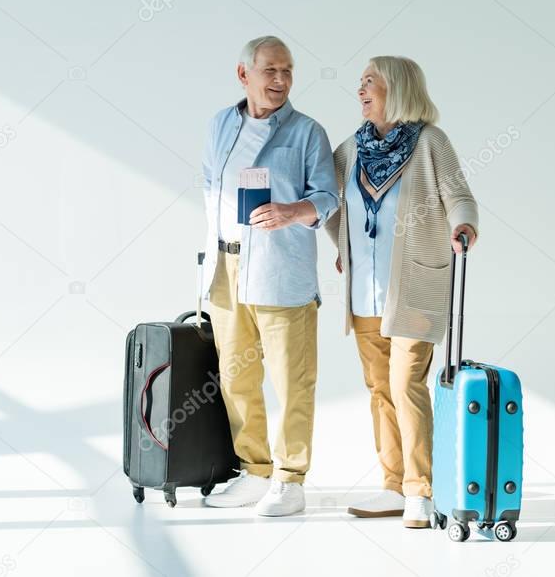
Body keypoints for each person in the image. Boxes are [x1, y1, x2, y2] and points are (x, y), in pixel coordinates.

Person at [326, 56, 478, 528]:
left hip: (414, 285)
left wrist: (464, 226)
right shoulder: (350, 149)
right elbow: (332, 205)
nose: (361, 89)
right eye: (360, 82)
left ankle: (421, 492)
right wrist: (341, 248)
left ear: (397, 88)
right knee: (379, 390)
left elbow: (459, 194)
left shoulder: (430, 142)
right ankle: (392, 485)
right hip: (364, 294)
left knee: (404, 384)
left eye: (370, 81)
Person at [201, 35, 338, 516]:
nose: (280, 81)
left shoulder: (306, 132)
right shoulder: (220, 124)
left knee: (291, 379)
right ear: (245, 75)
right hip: (226, 265)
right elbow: (209, 190)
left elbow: (327, 197)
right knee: (237, 376)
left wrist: (291, 211)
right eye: (270, 71)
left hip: (281, 267)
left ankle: (290, 479)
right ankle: (254, 470)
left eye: (287, 71)